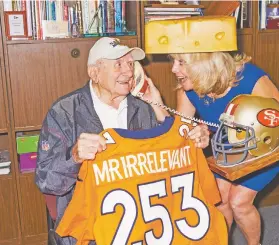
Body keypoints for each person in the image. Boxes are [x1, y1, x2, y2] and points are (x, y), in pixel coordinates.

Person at [35, 37, 210, 245]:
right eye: (118, 64)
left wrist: (191, 136)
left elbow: (169, 157)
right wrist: (74, 157)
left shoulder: (143, 108)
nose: (127, 72)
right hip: (89, 228)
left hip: (141, 220)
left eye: (130, 64)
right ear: (94, 73)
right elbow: (47, 182)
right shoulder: (64, 112)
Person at [169, 52, 279, 245]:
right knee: (219, 198)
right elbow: (182, 131)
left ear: (204, 62)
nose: (173, 69)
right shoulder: (186, 87)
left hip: (270, 142)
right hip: (230, 143)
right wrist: (200, 133)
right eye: (173, 61)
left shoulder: (249, 77)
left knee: (239, 202)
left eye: (181, 62)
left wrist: (257, 164)